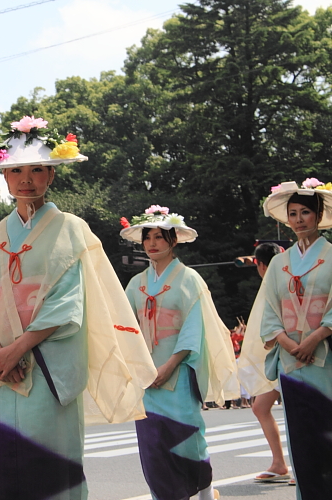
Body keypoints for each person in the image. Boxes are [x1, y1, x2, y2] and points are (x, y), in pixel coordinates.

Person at [0, 116, 157, 500]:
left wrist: (16, 349)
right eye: (15, 170)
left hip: (48, 368)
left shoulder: (71, 229)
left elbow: (68, 302)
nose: (25, 178)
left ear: (52, 174)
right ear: (4, 177)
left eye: (36, 169)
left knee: (49, 471)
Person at [120, 205, 238, 500]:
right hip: (146, 377)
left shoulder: (189, 280)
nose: (152, 243)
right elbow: (125, 328)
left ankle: (206, 491)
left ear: (173, 240)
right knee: (152, 444)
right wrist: (141, 367)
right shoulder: (135, 284)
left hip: (179, 373)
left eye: (159, 237)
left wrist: (169, 366)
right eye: (147, 237)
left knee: (188, 437)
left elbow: (192, 330)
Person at [253, 180, 332, 498]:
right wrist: (289, 344)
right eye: (293, 214)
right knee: (300, 434)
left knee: (327, 432)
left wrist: (314, 339)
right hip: (291, 361)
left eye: (305, 213)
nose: (299, 220)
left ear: (318, 215)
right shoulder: (278, 263)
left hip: (325, 357)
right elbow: (269, 310)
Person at [237, 242, 290, 483]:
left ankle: (299, 465)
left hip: (290, 354)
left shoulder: (277, 281)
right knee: (261, 407)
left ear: (259, 264)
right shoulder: (285, 277)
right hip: (285, 354)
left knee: (297, 411)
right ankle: (280, 462)